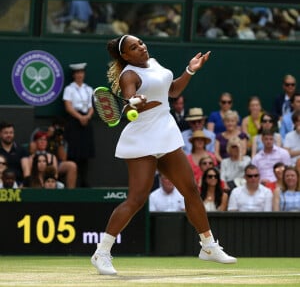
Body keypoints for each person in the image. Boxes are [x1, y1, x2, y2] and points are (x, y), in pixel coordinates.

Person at [91, 34, 236, 276]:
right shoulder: (129, 75)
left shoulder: (155, 63)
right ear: (125, 55)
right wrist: (133, 101)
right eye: (134, 47)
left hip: (165, 133)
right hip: (142, 139)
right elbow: (129, 98)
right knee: (136, 199)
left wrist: (190, 70)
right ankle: (102, 252)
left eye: (141, 43)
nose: (141, 47)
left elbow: (173, 90)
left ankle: (208, 246)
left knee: (190, 189)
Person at [63, 62, 95, 187]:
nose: (79, 75)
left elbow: (92, 105)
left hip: (86, 121)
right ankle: (73, 182)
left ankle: (84, 181)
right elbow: (68, 106)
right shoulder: (69, 89)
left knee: (85, 152)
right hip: (74, 121)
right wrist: (80, 117)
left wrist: (87, 116)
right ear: (73, 75)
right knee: (74, 151)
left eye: (81, 73)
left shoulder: (89, 89)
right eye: (77, 73)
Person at [0, 121, 30, 186]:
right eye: (6, 133)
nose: (9, 135)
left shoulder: (22, 150)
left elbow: (26, 171)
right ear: (0, 134)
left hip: (18, 185)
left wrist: (23, 185)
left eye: (11, 133)